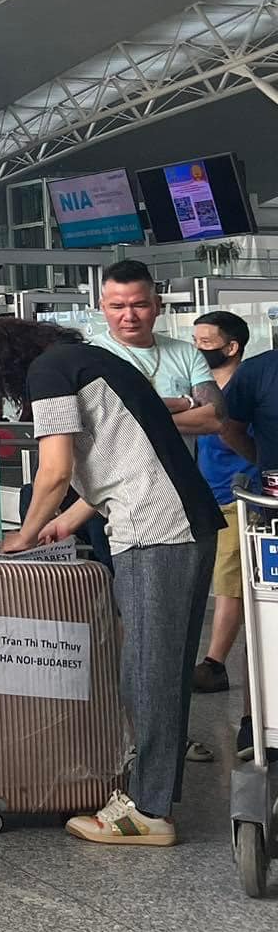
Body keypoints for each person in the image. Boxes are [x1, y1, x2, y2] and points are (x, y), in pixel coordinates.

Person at [0, 316, 223, 846]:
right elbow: (123, 457)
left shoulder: (48, 373)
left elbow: (55, 469)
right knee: (162, 670)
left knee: (147, 672)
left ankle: (147, 812)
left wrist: (24, 534)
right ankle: (152, 797)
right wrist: (67, 521)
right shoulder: (88, 361)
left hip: (155, 530)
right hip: (183, 523)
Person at [196, 312, 265, 761]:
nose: (199, 348)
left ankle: (216, 662)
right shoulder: (203, 387)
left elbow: (232, 431)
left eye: (207, 341)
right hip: (210, 494)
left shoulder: (247, 385)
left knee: (231, 584)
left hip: (239, 495)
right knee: (225, 581)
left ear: (232, 345)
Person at [92, 259, 223, 445]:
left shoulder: (186, 352)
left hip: (178, 465)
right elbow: (99, 422)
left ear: (157, 305)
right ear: (102, 307)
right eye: (117, 306)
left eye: (140, 305)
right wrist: (185, 404)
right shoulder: (88, 355)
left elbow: (215, 418)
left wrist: (134, 420)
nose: (129, 316)